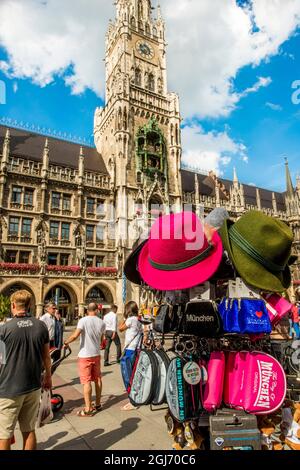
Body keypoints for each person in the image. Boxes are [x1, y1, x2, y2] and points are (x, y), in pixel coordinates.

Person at [0, 290, 51, 451]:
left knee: (4, 434)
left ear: (13, 305)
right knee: (28, 430)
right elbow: (46, 357)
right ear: (29, 305)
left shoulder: (4, 329)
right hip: (33, 386)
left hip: (9, 388)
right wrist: (48, 376)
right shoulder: (40, 325)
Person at [64, 302, 106, 417]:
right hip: (96, 354)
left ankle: (88, 409)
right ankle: (97, 404)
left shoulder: (83, 320)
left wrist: (66, 342)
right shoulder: (101, 322)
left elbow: (75, 335)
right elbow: (102, 339)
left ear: (87, 310)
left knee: (86, 382)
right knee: (97, 379)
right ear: (97, 310)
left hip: (85, 355)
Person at [119, 301, 143, 411]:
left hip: (129, 350)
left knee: (127, 376)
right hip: (137, 349)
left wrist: (124, 317)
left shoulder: (130, 319)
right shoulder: (139, 320)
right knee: (134, 374)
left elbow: (120, 328)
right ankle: (136, 397)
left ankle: (133, 401)